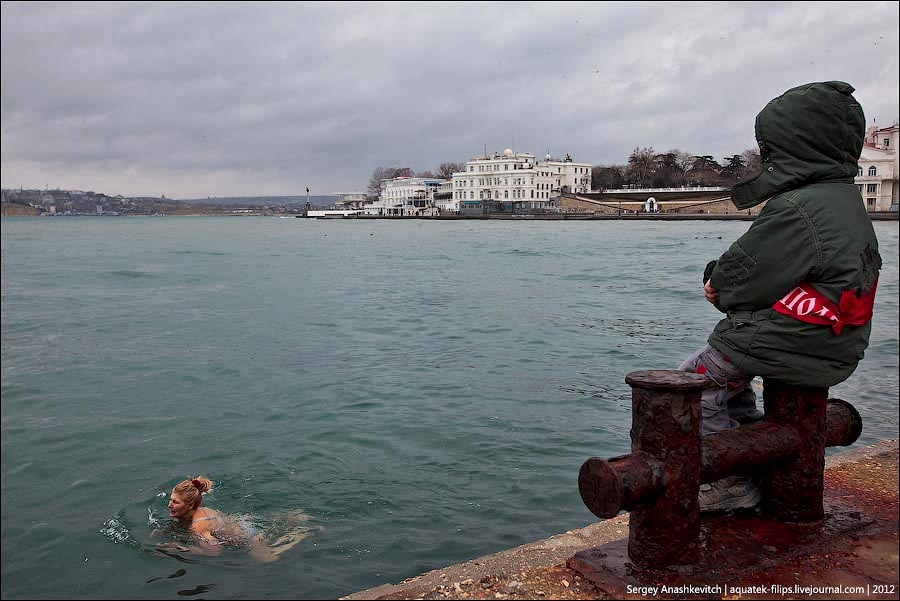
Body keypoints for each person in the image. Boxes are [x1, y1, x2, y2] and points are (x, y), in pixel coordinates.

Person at [681, 81, 881, 512]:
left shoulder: (798, 207)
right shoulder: (845, 201)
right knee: (732, 381)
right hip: (836, 341)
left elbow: (746, 273)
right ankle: (765, 458)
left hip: (793, 340)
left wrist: (717, 284)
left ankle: (728, 478)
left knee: (695, 379)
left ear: (790, 147)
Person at [157, 476, 312, 563]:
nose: (169, 505)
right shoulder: (196, 511)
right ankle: (294, 517)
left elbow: (215, 551)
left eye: (175, 502)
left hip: (248, 536)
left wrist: (180, 549)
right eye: (171, 500)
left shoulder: (198, 525)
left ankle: (300, 534)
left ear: (190, 505)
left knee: (267, 559)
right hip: (240, 521)